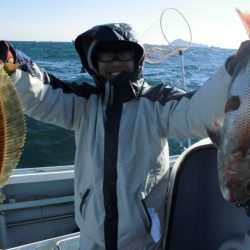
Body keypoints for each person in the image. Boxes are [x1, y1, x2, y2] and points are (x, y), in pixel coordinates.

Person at [0, 23, 249, 250]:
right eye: (106, 55)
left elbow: (199, 112)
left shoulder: (157, 103)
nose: (115, 62)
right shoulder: (82, 104)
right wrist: (11, 62)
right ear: (93, 61)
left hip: (142, 241)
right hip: (91, 240)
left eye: (124, 54)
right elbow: (41, 93)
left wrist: (233, 68)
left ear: (137, 59)